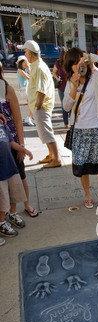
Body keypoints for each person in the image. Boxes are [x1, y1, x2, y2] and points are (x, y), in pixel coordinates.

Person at [63, 47, 98, 211]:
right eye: (75, 63)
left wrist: (91, 57)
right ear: (70, 67)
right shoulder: (70, 84)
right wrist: (73, 86)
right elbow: (66, 107)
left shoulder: (97, 79)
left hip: (97, 129)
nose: (79, 66)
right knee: (83, 167)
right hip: (80, 130)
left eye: (81, 62)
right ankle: (88, 196)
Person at [0, 62, 38, 218]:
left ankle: (26, 204)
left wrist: (21, 145)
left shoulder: (6, 89)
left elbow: (17, 120)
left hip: (12, 143)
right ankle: (6, 212)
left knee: (20, 176)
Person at [18, 40, 61, 169]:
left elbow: (41, 92)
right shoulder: (37, 66)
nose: (25, 54)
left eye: (25, 52)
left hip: (41, 107)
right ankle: (51, 155)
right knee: (44, 133)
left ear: (30, 54)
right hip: (39, 106)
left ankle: (56, 159)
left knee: (47, 133)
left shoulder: (39, 67)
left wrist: (37, 106)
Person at [0, 119, 33, 242]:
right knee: (3, 200)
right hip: (1, 172)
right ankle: (1, 222)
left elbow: (10, 142)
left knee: (14, 194)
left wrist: (22, 149)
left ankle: (12, 214)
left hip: (10, 166)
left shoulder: (3, 126)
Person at [52, 50, 69, 129]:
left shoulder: (70, 63)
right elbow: (54, 72)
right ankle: (66, 123)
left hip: (70, 86)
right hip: (61, 86)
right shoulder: (58, 63)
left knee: (71, 105)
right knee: (63, 105)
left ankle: (72, 122)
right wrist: (57, 78)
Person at [16, 55, 34, 126]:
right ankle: (28, 118)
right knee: (31, 103)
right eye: (25, 62)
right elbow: (30, 77)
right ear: (21, 63)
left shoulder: (23, 70)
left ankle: (29, 117)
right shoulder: (20, 71)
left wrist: (28, 68)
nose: (26, 64)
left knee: (31, 103)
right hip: (25, 89)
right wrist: (28, 68)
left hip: (27, 88)